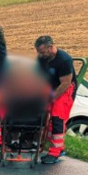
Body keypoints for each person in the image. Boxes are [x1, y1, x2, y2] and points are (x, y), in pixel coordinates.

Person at [34, 35, 77, 164]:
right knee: (46, 117)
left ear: (51, 47)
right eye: (38, 52)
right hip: (50, 88)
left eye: (42, 52)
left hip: (64, 90)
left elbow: (65, 83)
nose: (40, 54)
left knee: (57, 119)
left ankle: (55, 152)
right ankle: (57, 147)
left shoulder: (64, 60)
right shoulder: (42, 58)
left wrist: (51, 98)